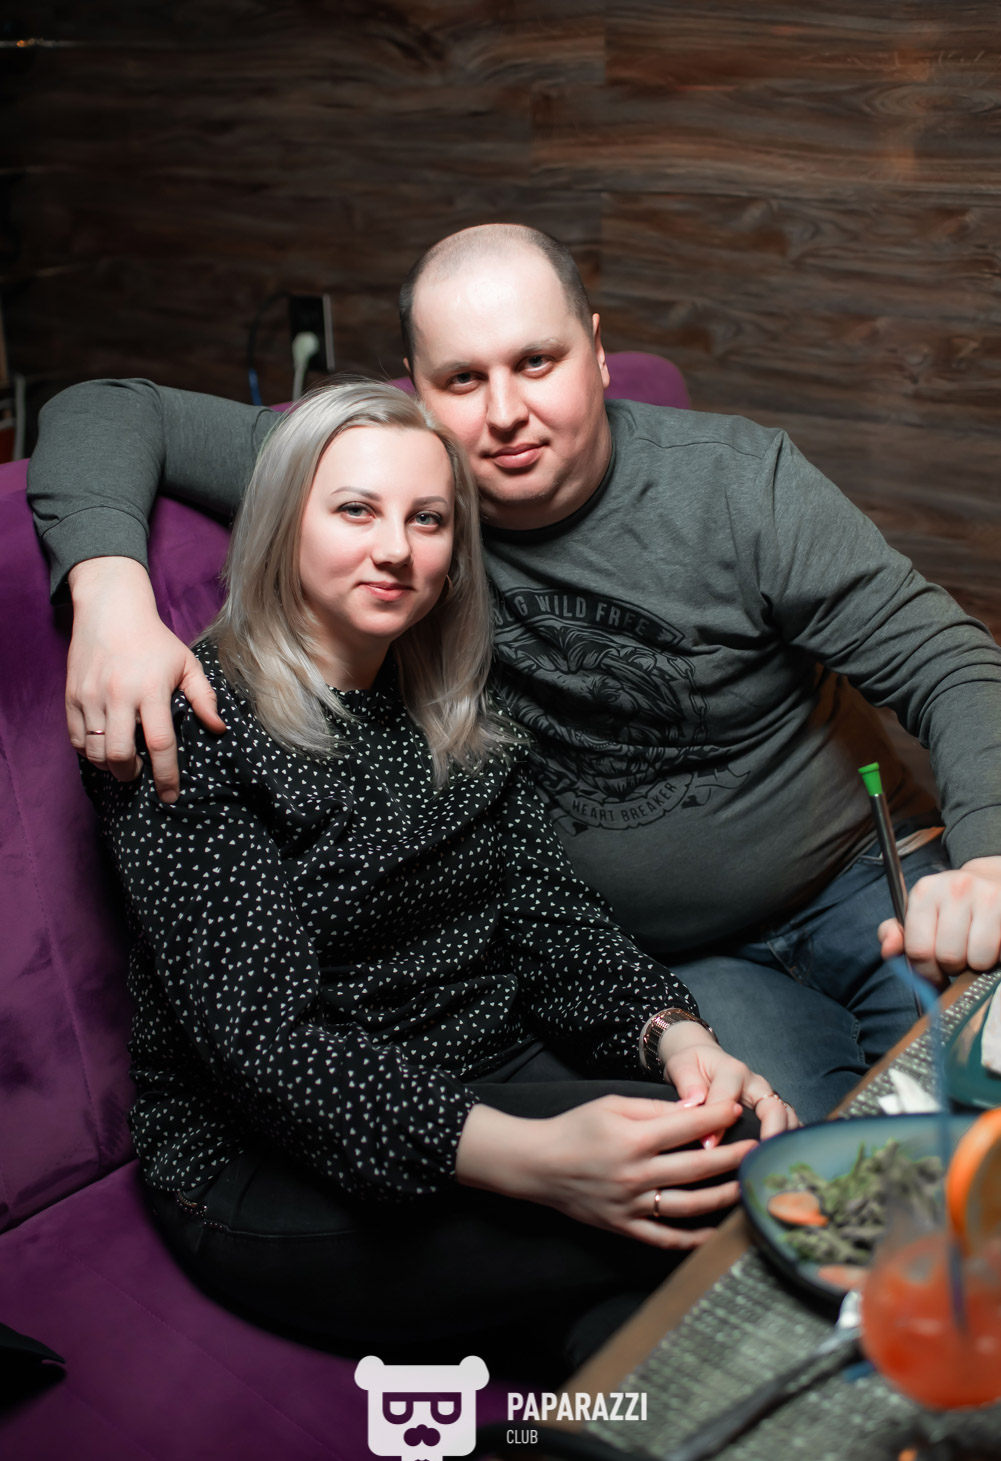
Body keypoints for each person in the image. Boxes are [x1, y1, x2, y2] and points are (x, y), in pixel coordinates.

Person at [28, 224, 1001, 1122]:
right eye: (461, 380)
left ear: (595, 351)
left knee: (976, 1103)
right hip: (672, 963)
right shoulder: (379, 491)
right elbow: (103, 408)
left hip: (862, 879)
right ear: (416, 390)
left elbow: (946, 661)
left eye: (536, 362)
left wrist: (991, 859)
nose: (504, 414)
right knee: (794, 1178)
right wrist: (109, 599)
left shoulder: (741, 484)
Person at [77, 380, 791, 1371]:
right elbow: (266, 1047)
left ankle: (549, 1445)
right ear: (283, 522)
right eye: (355, 510)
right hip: (260, 1160)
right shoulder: (191, 723)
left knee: (723, 1160)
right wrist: (533, 1162)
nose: (395, 550)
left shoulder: (443, 703)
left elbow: (546, 914)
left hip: (478, 1072)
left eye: (427, 520)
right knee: (732, 1205)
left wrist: (671, 1034)